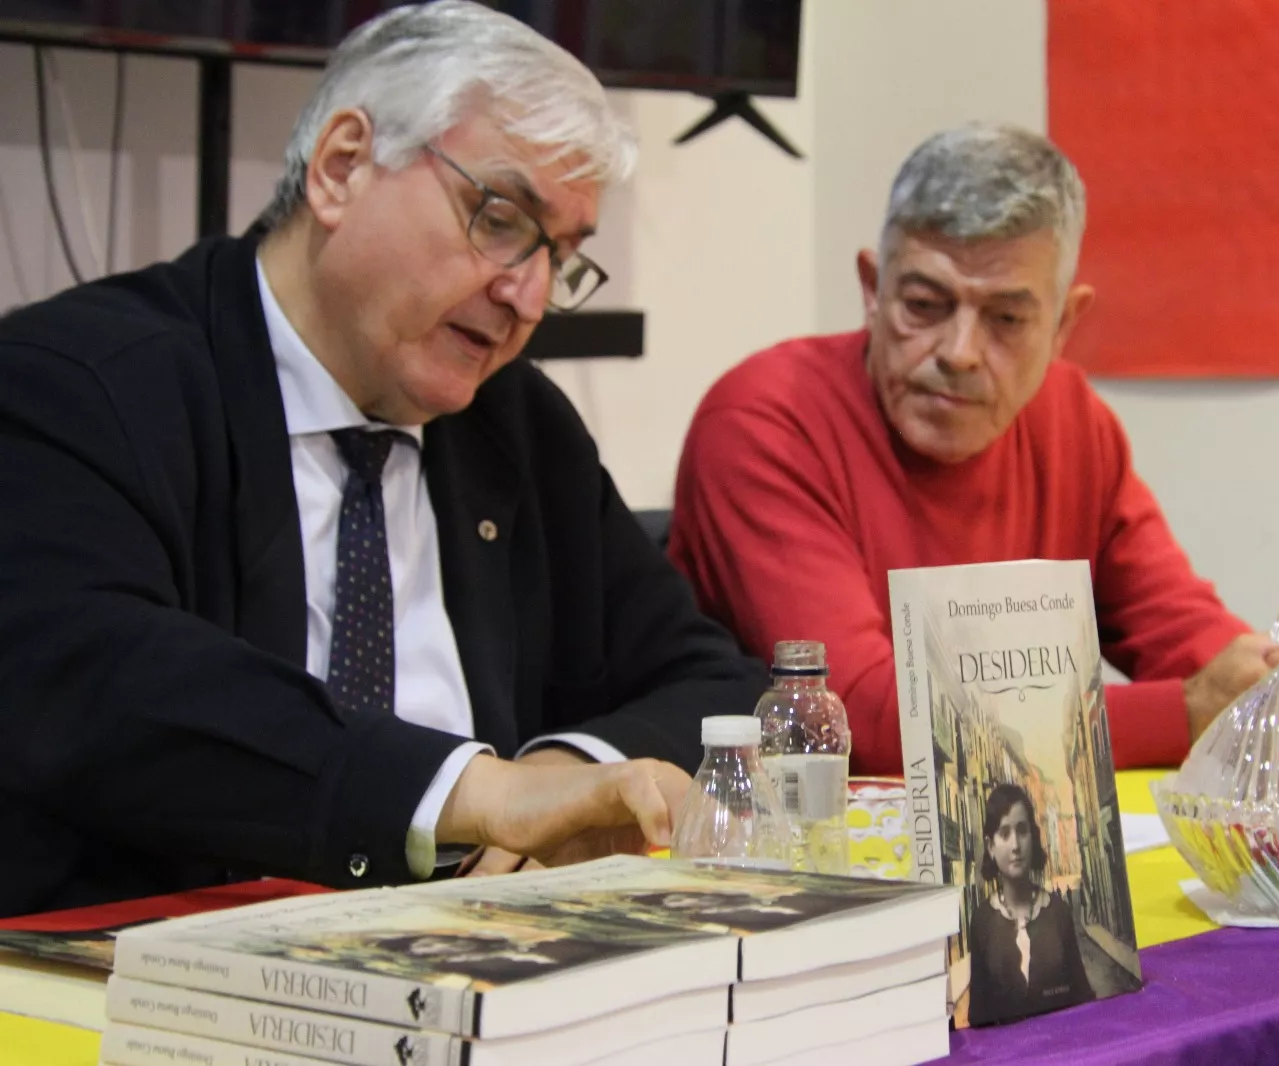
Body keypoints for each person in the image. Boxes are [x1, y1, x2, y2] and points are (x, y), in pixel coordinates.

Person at [0, 1, 767, 919]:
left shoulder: (514, 423)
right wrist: (467, 793)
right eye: (500, 218)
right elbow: (107, 688)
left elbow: (714, 679)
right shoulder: (79, 382)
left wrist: (560, 777)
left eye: (560, 257)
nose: (526, 295)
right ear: (341, 167)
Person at [669, 123, 1279, 776]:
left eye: (1006, 320)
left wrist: (1268, 686)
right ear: (873, 289)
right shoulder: (765, 421)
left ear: (1064, 323)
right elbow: (858, 718)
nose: (959, 353)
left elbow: (1180, 628)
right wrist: (1183, 713)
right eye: (925, 305)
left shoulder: (1071, 419)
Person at [966, 783, 1094, 1025]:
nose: (1015, 845)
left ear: (1032, 837)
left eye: (1022, 830)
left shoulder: (1058, 913)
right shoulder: (982, 922)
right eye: (1004, 833)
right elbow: (978, 1017)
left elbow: (1082, 998)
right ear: (991, 846)